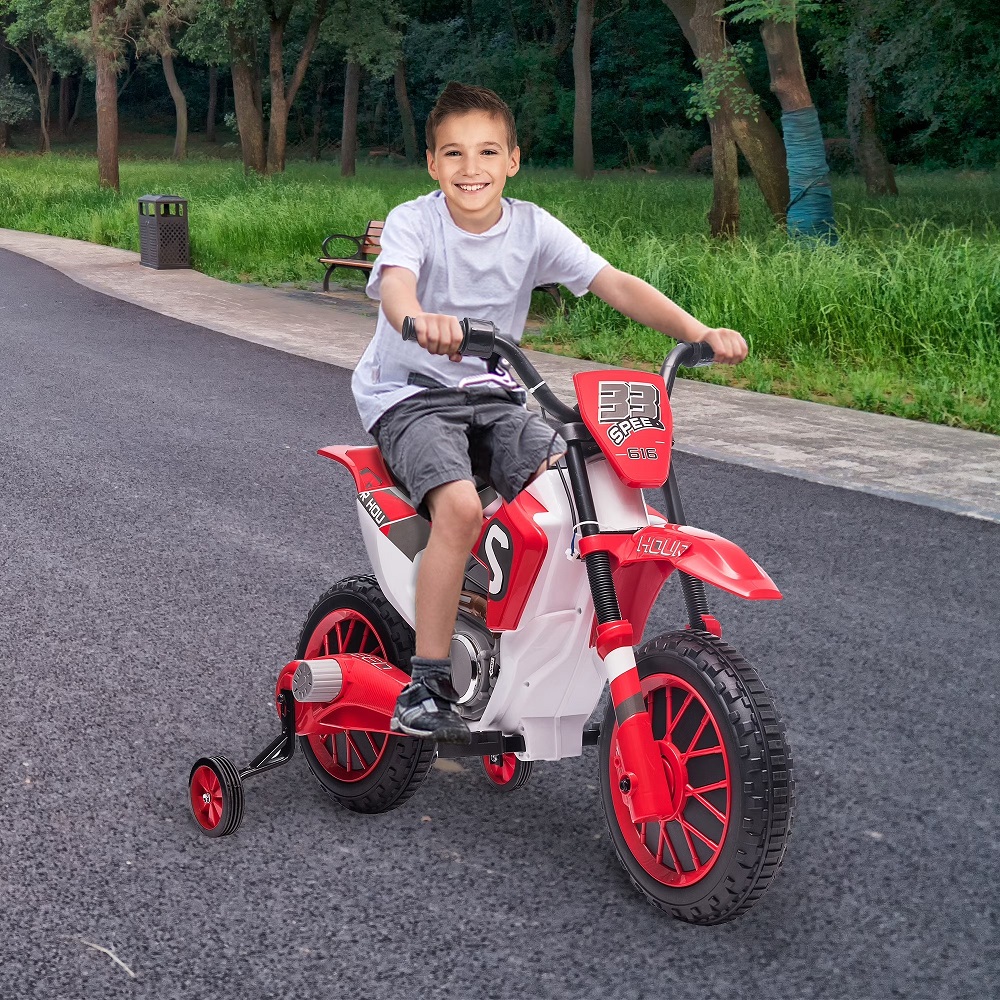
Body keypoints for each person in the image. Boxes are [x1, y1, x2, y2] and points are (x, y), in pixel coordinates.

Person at [352, 81, 747, 744]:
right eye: (453, 154)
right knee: (458, 508)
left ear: (512, 160)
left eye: (486, 152)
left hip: (500, 395)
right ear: (431, 165)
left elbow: (612, 282)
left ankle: (523, 633)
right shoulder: (413, 222)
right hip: (412, 394)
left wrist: (698, 332)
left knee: (578, 486)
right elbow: (396, 285)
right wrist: (419, 320)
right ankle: (424, 680)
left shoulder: (532, 227)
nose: (469, 169)